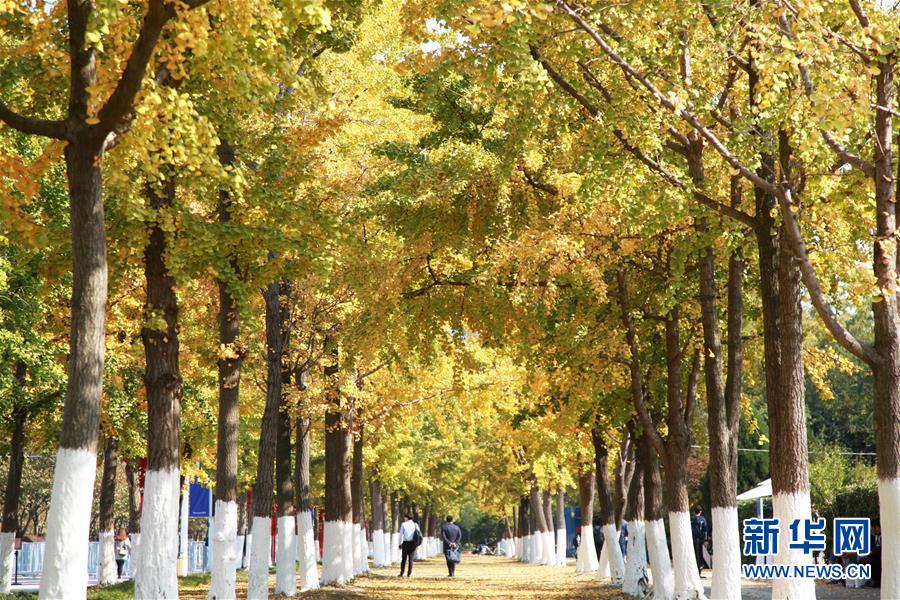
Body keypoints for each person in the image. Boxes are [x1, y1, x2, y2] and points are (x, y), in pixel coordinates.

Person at [690, 506, 709, 574]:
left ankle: (695, 570)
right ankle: (699, 570)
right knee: (700, 554)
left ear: (694, 511)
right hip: (700, 539)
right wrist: (706, 540)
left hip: (692, 539)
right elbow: (705, 530)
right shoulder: (703, 519)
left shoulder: (691, 519)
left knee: (693, 554)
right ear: (700, 511)